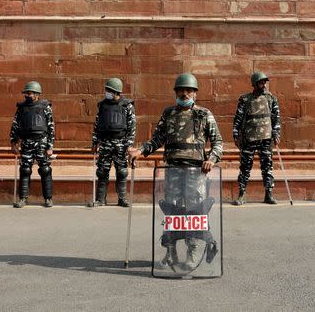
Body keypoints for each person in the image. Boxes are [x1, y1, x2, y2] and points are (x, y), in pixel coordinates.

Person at [128, 73, 222, 271]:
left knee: (195, 211)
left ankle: (193, 251)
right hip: (172, 169)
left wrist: (211, 159)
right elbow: (157, 139)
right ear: (176, 92)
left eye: (189, 90)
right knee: (172, 211)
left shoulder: (204, 114)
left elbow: (218, 143)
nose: (184, 93)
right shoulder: (168, 113)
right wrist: (140, 150)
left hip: (196, 171)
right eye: (181, 90)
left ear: (195, 93)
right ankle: (170, 252)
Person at [232, 71, 281, 205]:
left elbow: (276, 119)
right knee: (245, 167)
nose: (263, 84)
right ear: (254, 84)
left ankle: (268, 194)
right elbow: (238, 118)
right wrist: (235, 134)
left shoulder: (271, 98)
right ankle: (242, 194)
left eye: (264, 82)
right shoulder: (245, 99)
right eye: (260, 82)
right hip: (249, 138)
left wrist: (276, 133)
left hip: (266, 138)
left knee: (267, 167)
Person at [91, 77, 136, 207]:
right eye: (107, 90)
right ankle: (100, 199)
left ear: (117, 92)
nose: (107, 92)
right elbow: (97, 125)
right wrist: (95, 142)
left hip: (121, 143)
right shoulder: (103, 105)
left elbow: (132, 126)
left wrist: (129, 144)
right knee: (102, 171)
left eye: (110, 90)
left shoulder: (127, 106)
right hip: (105, 143)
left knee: (121, 171)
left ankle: (122, 199)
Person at [10, 81, 55, 208]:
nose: (27, 96)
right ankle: (23, 198)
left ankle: (48, 198)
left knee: (45, 170)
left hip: (41, 142)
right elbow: (15, 125)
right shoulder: (21, 108)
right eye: (26, 93)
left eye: (29, 93)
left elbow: (51, 127)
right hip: (26, 142)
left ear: (37, 94)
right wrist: (14, 142)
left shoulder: (45, 107)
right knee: (25, 170)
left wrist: (50, 146)